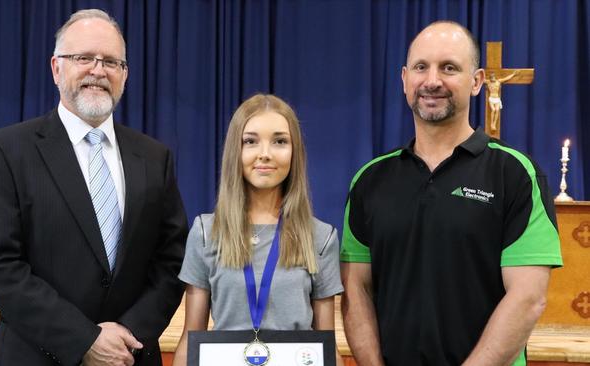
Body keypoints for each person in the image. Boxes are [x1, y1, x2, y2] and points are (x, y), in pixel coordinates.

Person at [0, 9, 188, 366]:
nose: (98, 70)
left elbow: (172, 260)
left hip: (128, 356)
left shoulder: (154, 157)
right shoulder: (5, 150)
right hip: (36, 356)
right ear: (56, 68)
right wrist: (84, 340)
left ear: (124, 75)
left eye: (111, 62)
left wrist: (126, 334)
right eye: (84, 58)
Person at [340, 20, 562, 366]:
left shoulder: (515, 174)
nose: (432, 81)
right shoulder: (370, 180)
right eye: (420, 67)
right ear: (404, 79)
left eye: (449, 68)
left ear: (476, 82)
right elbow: (357, 292)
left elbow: (528, 298)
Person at [171, 94, 344, 366]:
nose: (265, 153)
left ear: (295, 151)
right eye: (250, 141)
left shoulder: (321, 237)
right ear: (235, 152)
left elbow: (326, 346)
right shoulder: (206, 232)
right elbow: (190, 343)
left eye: (279, 141)